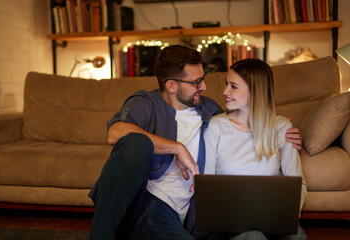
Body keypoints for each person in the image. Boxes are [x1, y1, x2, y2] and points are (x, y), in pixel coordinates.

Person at [88, 45, 303, 240]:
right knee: (137, 142)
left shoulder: (209, 109)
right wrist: (177, 148)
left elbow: (242, 124)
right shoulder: (146, 103)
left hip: (182, 213)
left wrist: (279, 129)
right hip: (149, 200)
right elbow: (115, 133)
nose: (205, 86)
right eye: (196, 82)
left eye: (203, 77)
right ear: (171, 85)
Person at [204, 58, 308, 240]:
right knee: (254, 237)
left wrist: (286, 216)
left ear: (255, 90)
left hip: (273, 220)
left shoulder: (282, 127)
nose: (225, 91)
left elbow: (298, 183)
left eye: (233, 86)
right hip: (230, 225)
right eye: (226, 84)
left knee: (296, 235)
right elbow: (205, 185)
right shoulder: (215, 127)